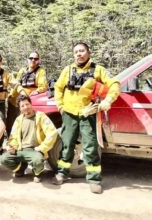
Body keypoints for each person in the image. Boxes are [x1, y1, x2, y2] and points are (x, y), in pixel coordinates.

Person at [53, 42, 120, 194]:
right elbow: (58, 88)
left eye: (82, 51)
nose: (79, 54)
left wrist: (108, 100)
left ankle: (94, 179)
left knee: (90, 147)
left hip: (88, 114)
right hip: (69, 114)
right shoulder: (68, 70)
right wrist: (60, 106)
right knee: (66, 145)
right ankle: (61, 173)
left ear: (88, 52)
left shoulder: (98, 70)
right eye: (76, 51)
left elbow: (115, 84)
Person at [0, 95, 58, 183]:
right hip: (20, 149)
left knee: (38, 161)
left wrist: (42, 148)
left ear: (31, 104)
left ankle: (37, 173)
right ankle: (20, 168)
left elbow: (52, 133)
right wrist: (11, 147)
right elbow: (13, 137)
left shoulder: (40, 116)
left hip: (34, 150)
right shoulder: (18, 120)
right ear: (19, 108)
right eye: (22, 106)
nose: (25, 107)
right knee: (3, 159)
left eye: (27, 104)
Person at [7, 51, 48, 135]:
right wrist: (10, 95)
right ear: (28, 59)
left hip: (27, 102)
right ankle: (10, 139)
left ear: (38, 61)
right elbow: (16, 84)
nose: (33, 60)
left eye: (35, 59)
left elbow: (43, 86)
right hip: (14, 101)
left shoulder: (40, 71)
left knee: (24, 122)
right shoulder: (22, 70)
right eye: (31, 58)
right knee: (11, 121)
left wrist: (34, 92)